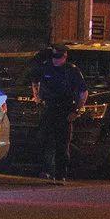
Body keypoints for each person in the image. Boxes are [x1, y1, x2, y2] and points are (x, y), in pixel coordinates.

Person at [31, 43, 88, 184]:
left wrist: (76, 111)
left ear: (65, 56)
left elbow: (83, 92)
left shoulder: (71, 71)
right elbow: (34, 81)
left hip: (65, 111)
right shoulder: (45, 67)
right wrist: (37, 97)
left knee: (62, 145)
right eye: (54, 56)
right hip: (49, 109)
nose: (56, 60)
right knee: (45, 141)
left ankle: (60, 175)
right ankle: (48, 172)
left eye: (59, 56)